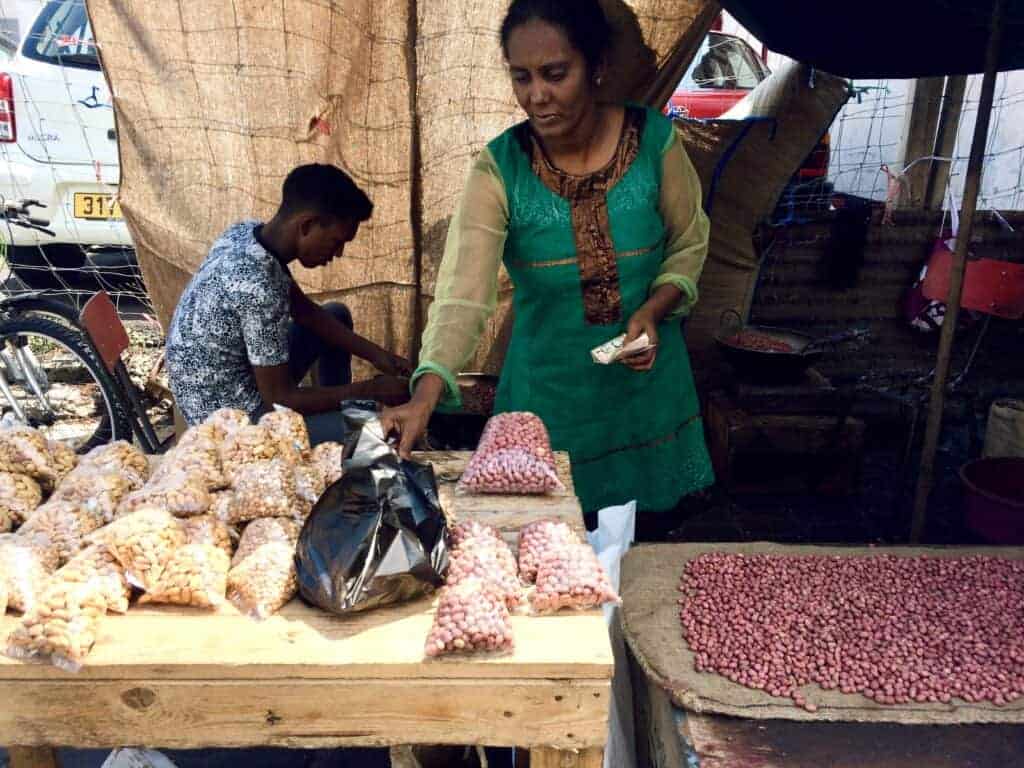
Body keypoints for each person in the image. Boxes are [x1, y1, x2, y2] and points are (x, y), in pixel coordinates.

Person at [382, 0, 715, 534]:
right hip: (548, 404)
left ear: (596, 66)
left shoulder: (654, 142)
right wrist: (426, 392)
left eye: (555, 74)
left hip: (647, 396)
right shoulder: (501, 167)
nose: (537, 95)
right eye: (522, 77)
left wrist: (655, 309)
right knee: (545, 557)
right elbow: (462, 295)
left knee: (640, 551)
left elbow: (690, 242)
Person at [166, 163, 412, 444]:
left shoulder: (247, 234)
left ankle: (341, 412)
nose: (339, 253)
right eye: (336, 241)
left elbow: (305, 312)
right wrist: (370, 391)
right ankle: (341, 429)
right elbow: (280, 400)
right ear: (306, 226)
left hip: (232, 383)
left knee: (335, 315)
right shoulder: (257, 288)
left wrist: (380, 357)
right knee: (385, 429)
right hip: (230, 422)